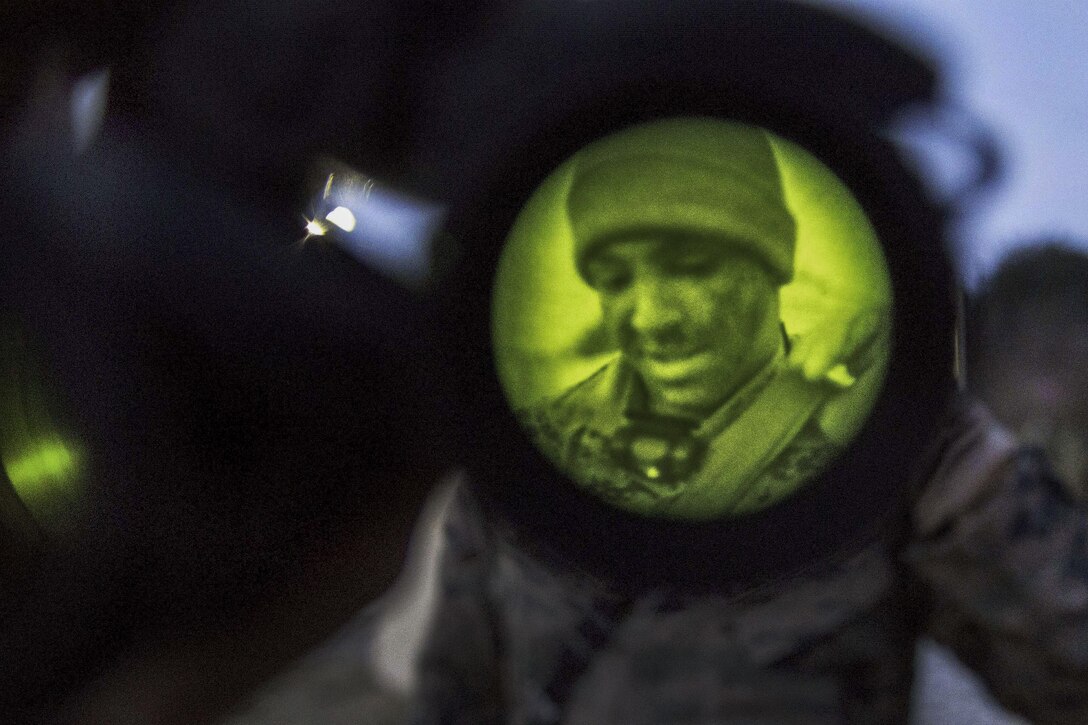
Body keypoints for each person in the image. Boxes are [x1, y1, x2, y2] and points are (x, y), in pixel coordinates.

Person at [521, 120, 883, 519]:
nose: (650, 319)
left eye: (691, 267)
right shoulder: (535, 442)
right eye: (614, 280)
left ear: (776, 261)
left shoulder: (858, 426)